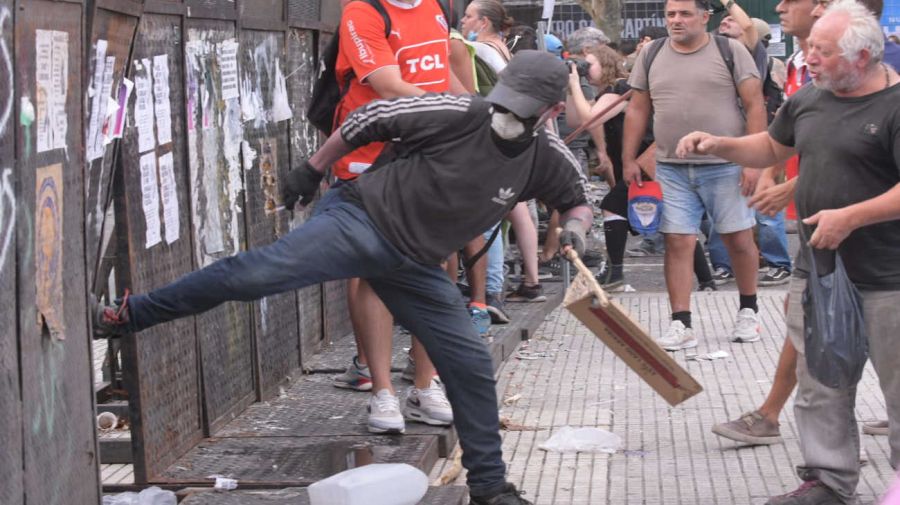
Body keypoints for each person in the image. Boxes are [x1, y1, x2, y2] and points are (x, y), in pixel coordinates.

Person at [94, 50, 593, 505]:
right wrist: (313, 169)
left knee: (470, 364)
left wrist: (573, 230)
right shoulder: (458, 112)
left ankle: (489, 487)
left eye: (519, 111)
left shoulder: (546, 158)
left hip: (414, 264)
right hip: (360, 221)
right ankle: (128, 314)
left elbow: (577, 201)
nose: (505, 116)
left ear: (549, 112)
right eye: (503, 103)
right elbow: (368, 119)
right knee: (255, 274)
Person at [677, 2, 900, 502]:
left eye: (823, 51)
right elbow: (772, 148)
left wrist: (852, 216)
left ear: (862, 57)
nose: (810, 58)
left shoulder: (895, 106)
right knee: (820, 383)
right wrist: (719, 144)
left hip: (890, 277)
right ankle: (828, 481)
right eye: (810, 47)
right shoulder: (811, 99)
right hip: (820, 271)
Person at [328, 0, 455, 433]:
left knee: (433, 264)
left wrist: (482, 108)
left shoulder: (436, 6)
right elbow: (387, 84)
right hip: (370, 162)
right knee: (376, 270)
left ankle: (425, 384)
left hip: (427, 157)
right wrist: (456, 113)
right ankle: (382, 392)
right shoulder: (363, 12)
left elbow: (442, 73)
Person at [622, 0, 766, 351]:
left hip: (726, 163)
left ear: (705, 17)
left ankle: (749, 309)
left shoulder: (730, 50)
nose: (676, 20)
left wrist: (753, 161)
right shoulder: (651, 53)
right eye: (671, 14)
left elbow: (755, 104)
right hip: (670, 166)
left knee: (738, 239)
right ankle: (681, 323)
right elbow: (637, 108)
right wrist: (627, 158)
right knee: (677, 241)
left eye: (685, 14)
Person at [711, 0, 819, 446]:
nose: (779, 6)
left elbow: (859, 154)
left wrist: (790, 186)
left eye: (792, 0)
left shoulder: (857, 65)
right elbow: (788, 138)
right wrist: (766, 167)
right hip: (820, 214)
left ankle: (774, 416)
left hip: (861, 223)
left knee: (820, 315)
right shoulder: (800, 63)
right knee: (808, 313)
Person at [460, 0, 547, 306]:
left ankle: (492, 288)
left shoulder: (479, 50)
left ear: (483, 22)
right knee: (517, 210)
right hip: (514, 138)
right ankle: (528, 280)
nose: (463, 21)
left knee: (491, 214)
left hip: (496, 139)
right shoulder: (502, 49)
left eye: (469, 16)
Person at [710, 3, 795, 287]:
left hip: (759, 139)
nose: (725, 22)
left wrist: (727, 3)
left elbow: (746, 26)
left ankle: (778, 263)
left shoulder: (751, 53)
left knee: (764, 205)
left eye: (730, 21)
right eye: (723, 20)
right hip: (725, 140)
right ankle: (723, 265)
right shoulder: (715, 52)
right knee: (721, 207)